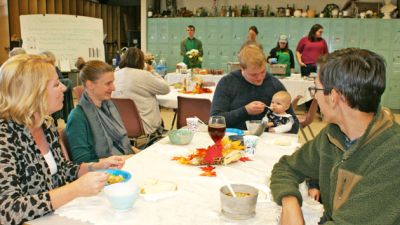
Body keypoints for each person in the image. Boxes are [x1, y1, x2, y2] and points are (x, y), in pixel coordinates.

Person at [270, 48, 400, 224]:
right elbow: (286, 167)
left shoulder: (391, 158)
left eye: (316, 88)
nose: (314, 95)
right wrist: (290, 202)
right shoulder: (334, 134)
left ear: (333, 96)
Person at [0, 54, 125, 224]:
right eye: (56, 84)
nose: (64, 89)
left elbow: (61, 168)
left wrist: (94, 167)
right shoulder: (4, 135)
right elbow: (7, 210)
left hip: (54, 215)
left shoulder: (45, 123)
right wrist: (74, 189)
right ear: (33, 92)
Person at [210, 45, 299, 133]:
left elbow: (294, 124)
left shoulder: (274, 84)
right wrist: (245, 110)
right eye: (254, 75)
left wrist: (280, 128)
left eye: (263, 71)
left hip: (266, 140)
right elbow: (215, 121)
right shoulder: (227, 82)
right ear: (242, 68)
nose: (260, 77)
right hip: (233, 138)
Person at [66, 59, 139, 164]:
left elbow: (121, 144)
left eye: (112, 82)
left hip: (121, 161)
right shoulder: (77, 118)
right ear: (90, 85)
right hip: (102, 173)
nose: (113, 88)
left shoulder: (108, 107)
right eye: (108, 83)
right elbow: (82, 162)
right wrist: (129, 158)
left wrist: (141, 154)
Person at [112, 47, 170, 135]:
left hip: (118, 124)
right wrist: (152, 71)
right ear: (142, 62)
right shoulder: (144, 75)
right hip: (144, 124)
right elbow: (166, 89)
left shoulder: (114, 75)